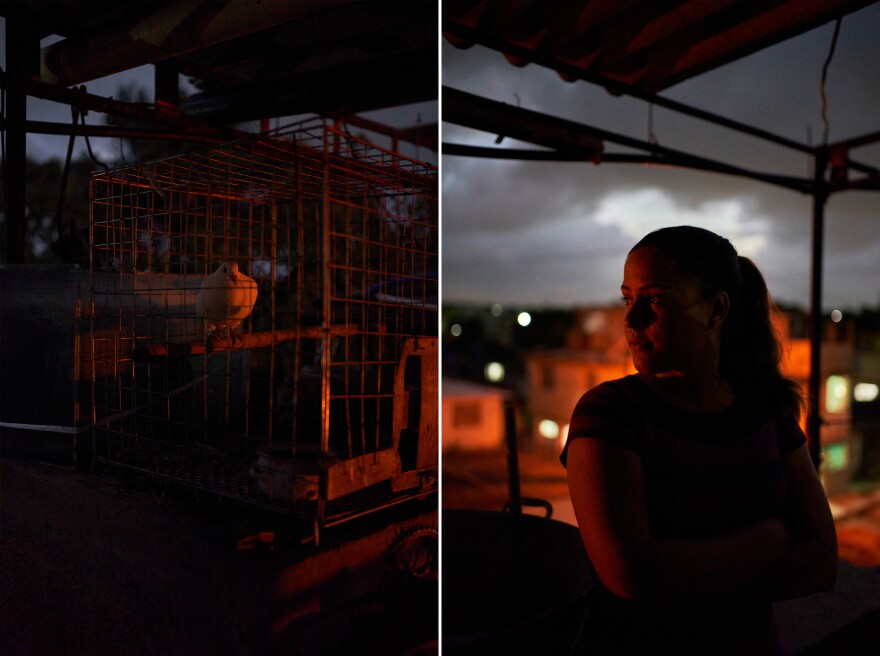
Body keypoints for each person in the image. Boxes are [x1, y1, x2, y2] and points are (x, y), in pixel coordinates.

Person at [562, 226, 837, 654]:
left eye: (654, 298)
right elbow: (632, 575)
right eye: (627, 298)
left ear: (717, 309)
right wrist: (769, 538)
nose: (631, 320)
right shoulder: (611, 413)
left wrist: (684, 575)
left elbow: (820, 563)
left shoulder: (766, 408)